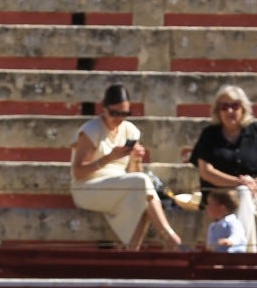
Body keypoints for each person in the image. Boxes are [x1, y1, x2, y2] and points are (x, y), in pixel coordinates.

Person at [70, 84, 183, 248]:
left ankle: (132, 252)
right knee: (141, 189)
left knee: (141, 196)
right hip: (88, 187)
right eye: (114, 113)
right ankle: (169, 237)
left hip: (117, 185)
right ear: (104, 109)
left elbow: (135, 174)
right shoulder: (90, 131)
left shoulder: (130, 130)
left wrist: (136, 159)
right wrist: (108, 158)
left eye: (124, 113)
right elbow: (79, 173)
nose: (119, 118)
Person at [189, 84, 257, 252]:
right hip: (218, 195)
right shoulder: (209, 134)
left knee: (244, 195)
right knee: (242, 192)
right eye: (224, 107)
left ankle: (236, 250)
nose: (230, 111)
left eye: (235, 106)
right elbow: (206, 171)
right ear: (217, 111)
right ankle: (244, 254)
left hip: (252, 192)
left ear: (243, 109)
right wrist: (238, 182)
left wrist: (254, 183)